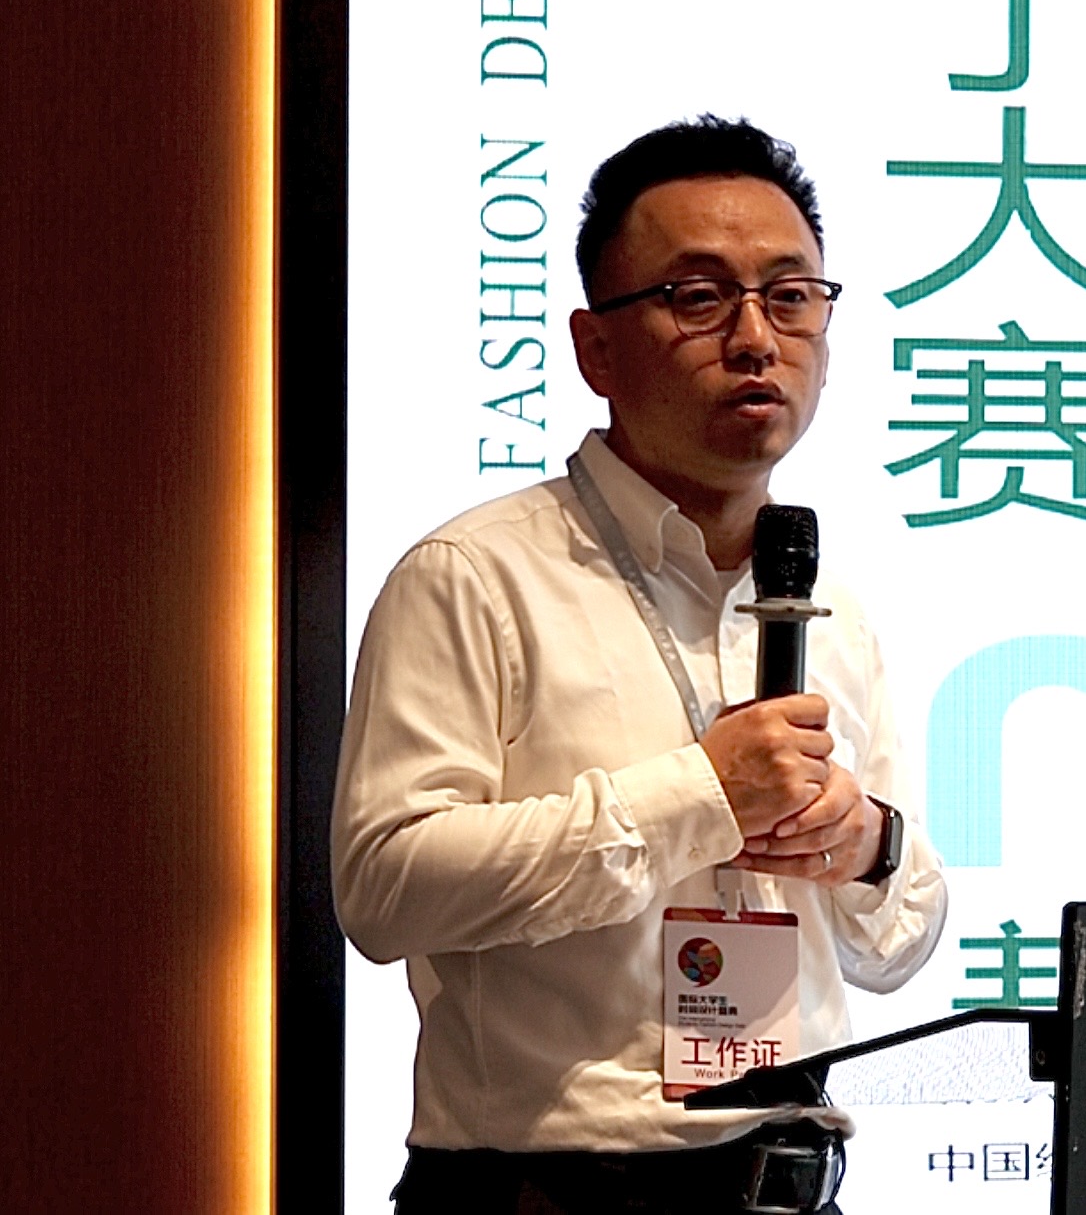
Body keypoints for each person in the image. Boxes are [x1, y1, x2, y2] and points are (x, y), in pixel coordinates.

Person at [332, 115, 949, 1215]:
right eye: (699, 297)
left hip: (796, 1183)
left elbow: (894, 945)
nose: (756, 338)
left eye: (792, 296)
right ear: (595, 349)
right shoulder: (475, 576)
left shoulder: (830, 607)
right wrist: (700, 798)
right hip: (550, 1196)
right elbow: (386, 887)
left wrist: (867, 843)